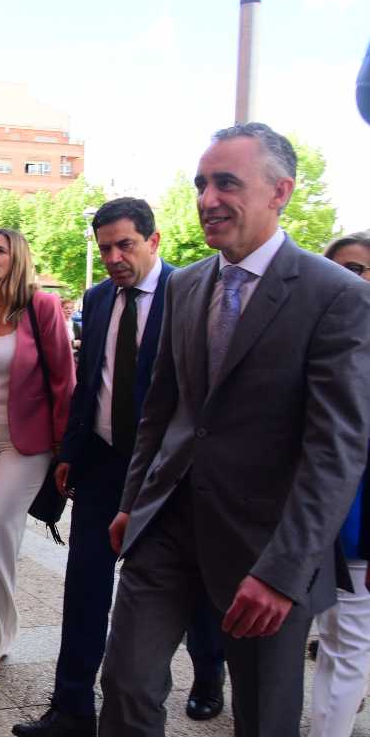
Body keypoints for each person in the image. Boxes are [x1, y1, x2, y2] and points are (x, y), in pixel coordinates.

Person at [99, 123, 370, 737]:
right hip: (166, 523)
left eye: (226, 182)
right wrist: (132, 503)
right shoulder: (187, 285)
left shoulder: (337, 296)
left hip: (268, 545)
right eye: (201, 183)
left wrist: (282, 571)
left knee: (264, 715)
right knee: (125, 682)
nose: (206, 198)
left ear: (280, 192)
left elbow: (335, 450)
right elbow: (161, 409)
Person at [13, 198, 223, 737]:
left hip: (168, 474)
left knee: (188, 584)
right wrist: (70, 452)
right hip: (104, 463)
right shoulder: (100, 297)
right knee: (83, 586)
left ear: (154, 241)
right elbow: (92, 383)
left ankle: (207, 674)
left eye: (124, 244)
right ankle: (72, 707)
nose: (113, 257)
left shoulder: (192, 295)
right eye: (105, 247)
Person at [0, 228, 75, 685]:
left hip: (27, 442)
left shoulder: (41, 308)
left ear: (16, 258)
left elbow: (64, 380)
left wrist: (66, 449)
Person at [309, 232, 370, 737]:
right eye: (336, 269)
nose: (343, 282)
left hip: (358, 528)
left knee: (346, 647)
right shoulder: (316, 339)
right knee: (337, 641)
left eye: (355, 270)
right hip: (313, 523)